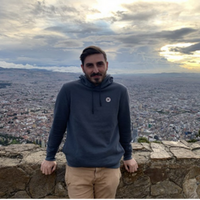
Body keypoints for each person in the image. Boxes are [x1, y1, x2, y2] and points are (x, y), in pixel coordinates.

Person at [41, 46, 138, 199]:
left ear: (106, 64)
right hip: (78, 168)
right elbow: (58, 125)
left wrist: (128, 155)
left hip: (109, 167)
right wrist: (50, 157)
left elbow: (125, 126)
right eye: (90, 65)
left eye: (99, 64)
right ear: (82, 68)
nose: (95, 70)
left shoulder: (119, 91)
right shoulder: (69, 90)